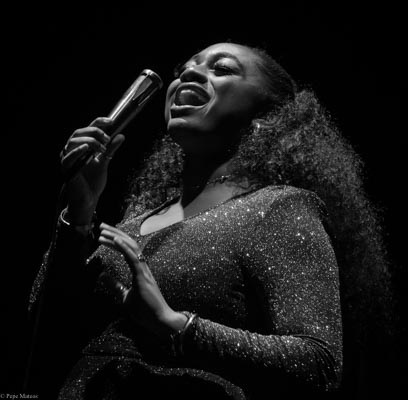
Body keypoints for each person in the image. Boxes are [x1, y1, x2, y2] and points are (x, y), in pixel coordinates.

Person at [26, 41, 394, 399]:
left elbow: (319, 364)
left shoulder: (276, 208)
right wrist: (80, 211)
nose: (189, 74)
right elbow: (43, 329)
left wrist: (175, 325)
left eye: (222, 69)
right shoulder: (129, 225)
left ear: (267, 117)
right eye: (183, 69)